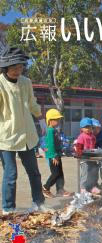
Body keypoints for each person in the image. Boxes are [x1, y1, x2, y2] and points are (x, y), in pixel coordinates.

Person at [0, 46, 51, 215]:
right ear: (6, 67)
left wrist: (41, 118)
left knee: (34, 171)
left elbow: (32, 103)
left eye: (20, 67)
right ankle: (8, 208)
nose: (17, 70)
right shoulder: (0, 84)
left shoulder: (26, 82)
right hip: (7, 136)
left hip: (27, 134)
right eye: (14, 67)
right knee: (10, 174)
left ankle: (38, 202)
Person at [42, 109, 71, 198]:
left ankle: (60, 190)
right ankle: (45, 188)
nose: (58, 121)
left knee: (60, 173)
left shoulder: (54, 130)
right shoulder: (50, 131)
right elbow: (50, 144)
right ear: (50, 121)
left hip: (57, 155)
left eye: (59, 119)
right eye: (56, 119)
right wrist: (54, 156)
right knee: (55, 173)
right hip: (53, 156)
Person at [76, 117, 99, 194]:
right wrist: (80, 154)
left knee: (94, 171)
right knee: (85, 173)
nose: (88, 129)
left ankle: (93, 186)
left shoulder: (93, 136)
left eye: (89, 127)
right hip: (84, 158)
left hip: (92, 157)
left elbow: (94, 146)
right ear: (81, 128)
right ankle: (83, 188)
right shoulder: (81, 136)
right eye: (86, 127)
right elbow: (78, 147)